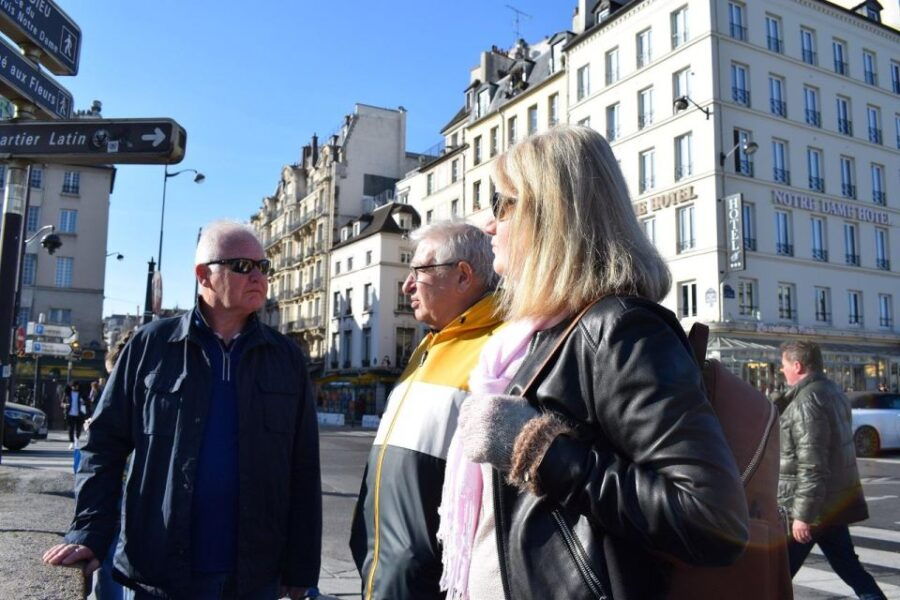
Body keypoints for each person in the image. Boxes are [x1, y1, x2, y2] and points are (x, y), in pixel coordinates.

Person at [441, 125, 750, 600]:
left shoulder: (621, 329)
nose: (488, 224)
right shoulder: (538, 335)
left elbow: (712, 518)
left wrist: (538, 451)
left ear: (552, 214)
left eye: (503, 203)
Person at [43, 220, 322, 600]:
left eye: (263, 266)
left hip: (256, 575)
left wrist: (301, 565)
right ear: (203, 275)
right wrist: (88, 533)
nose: (258, 275)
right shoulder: (152, 345)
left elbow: (303, 466)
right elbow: (103, 446)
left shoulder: (286, 356)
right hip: (161, 572)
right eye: (243, 266)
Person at [349, 221, 502, 600]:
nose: (407, 286)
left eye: (419, 272)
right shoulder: (427, 346)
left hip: (432, 587)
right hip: (384, 578)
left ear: (463, 275)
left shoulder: (499, 352)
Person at [778, 340, 885, 600]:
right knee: (851, 570)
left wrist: (803, 516)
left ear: (797, 365)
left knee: (775, 575)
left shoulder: (807, 402)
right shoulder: (833, 392)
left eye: (783, 366)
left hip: (809, 508)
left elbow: (812, 463)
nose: (781, 371)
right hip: (831, 504)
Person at [62, 382, 89, 450]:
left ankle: (76, 441)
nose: (75, 388)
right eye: (74, 386)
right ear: (71, 387)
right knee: (71, 429)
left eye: (76, 386)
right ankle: (72, 442)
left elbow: (88, 401)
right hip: (70, 414)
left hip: (79, 414)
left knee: (78, 429)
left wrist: (84, 402)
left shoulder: (82, 394)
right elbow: (62, 403)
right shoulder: (67, 394)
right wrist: (64, 405)